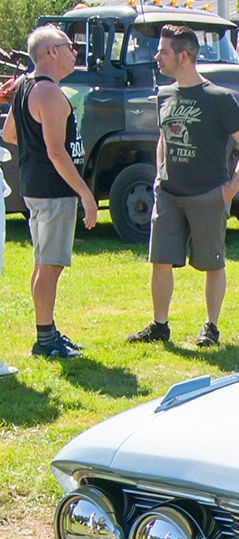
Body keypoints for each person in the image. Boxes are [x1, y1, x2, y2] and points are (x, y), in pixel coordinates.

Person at [127, 25, 239, 348]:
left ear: (183, 56)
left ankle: (210, 328)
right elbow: (163, 137)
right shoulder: (165, 95)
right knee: (160, 260)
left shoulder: (219, 98)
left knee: (212, 262)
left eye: (163, 52)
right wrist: (160, 174)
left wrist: (229, 190)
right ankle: (160, 325)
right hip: (169, 194)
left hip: (208, 195)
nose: (156, 57)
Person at [0, 25, 97, 359]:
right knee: (51, 264)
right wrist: (85, 193)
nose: (74, 51)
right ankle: (45, 341)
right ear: (51, 52)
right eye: (68, 46)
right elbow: (57, 152)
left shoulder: (25, 87)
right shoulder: (50, 93)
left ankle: (48, 331)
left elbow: (9, 134)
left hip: (33, 186)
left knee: (44, 262)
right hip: (53, 190)